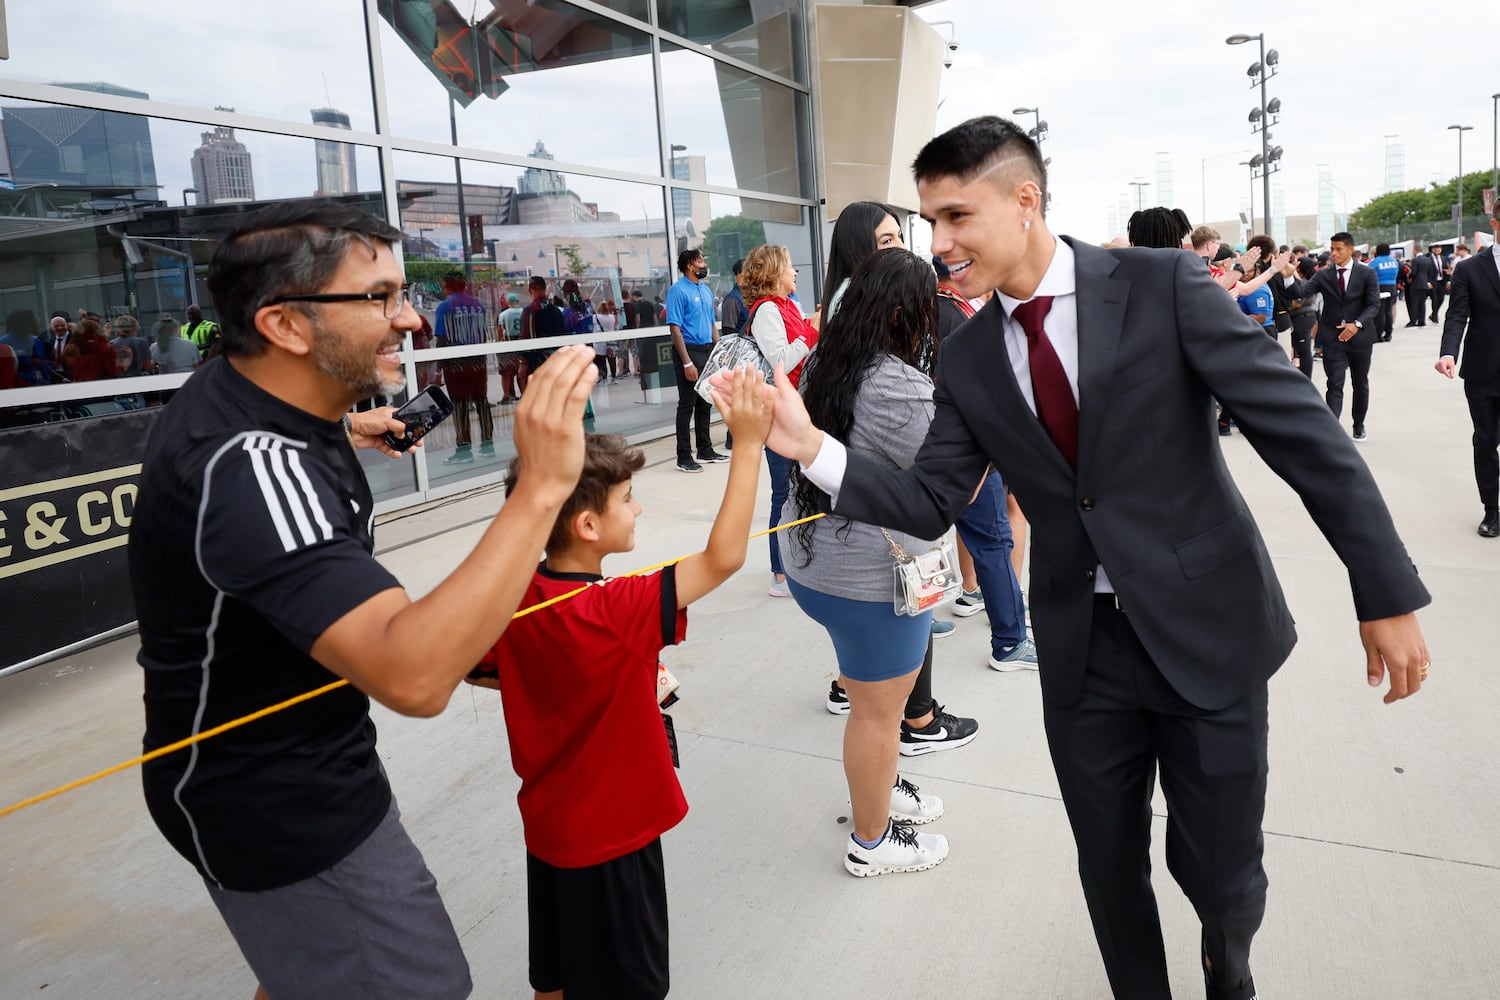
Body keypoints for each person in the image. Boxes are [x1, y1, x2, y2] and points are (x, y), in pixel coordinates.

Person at [742, 115, 1432, 999]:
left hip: (1206, 630)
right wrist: (812, 449)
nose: (938, 244)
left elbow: (1302, 435)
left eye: (956, 217)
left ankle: (1229, 962)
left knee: (1222, 876)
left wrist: (1382, 590)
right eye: (929, 224)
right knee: (1108, 870)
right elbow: (927, 501)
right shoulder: (969, 353)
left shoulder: (1164, 284)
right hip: (1083, 649)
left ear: (1024, 201)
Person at [129, 199, 598, 1000]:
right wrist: (542, 490)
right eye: (377, 297)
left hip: (284, 766)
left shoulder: (256, 396)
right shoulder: (249, 470)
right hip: (278, 802)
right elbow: (414, 676)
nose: (409, 319)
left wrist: (350, 431)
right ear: (284, 325)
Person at [466, 368, 772, 1000]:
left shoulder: (513, 596)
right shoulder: (615, 610)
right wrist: (746, 444)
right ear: (585, 525)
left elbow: (475, 664)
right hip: (612, 839)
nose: (638, 509)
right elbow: (723, 558)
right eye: (628, 499)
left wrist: (561, 680)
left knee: (554, 979)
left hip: (550, 829)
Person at [782, 248, 955, 876]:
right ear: (908, 313)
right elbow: (944, 474)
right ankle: (873, 840)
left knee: (868, 702)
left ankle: (880, 790)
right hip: (870, 579)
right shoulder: (901, 385)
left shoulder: (825, 362)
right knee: (880, 715)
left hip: (814, 564)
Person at [739, 244, 817, 600]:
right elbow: (782, 360)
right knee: (784, 493)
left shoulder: (787, 305)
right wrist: (811, 332)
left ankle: (797, 563)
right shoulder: (767, 310)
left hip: (796, 407)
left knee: (801, 490)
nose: (795, 273)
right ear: (774, 273)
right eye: (789, 267)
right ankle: (779, 573)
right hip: (778, 413)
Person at [1436, 203, 1500, 537]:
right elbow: (1457, 315)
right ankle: (1492, 509)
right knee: (1486, 441)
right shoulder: (1470, 269)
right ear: (1495, 223)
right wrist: (1449, 352)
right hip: (1483, 371)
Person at [1281, 233, 1380, 440]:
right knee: (1334, 383)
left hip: (1360, 338)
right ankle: (1332, 430)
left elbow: (1374, 305)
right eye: (1332, 249)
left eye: (1339, 249)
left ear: (1350, 250)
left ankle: (1358, 424)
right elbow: (1301, 292)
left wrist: (1357, 324)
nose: (1333, 253)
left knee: (1360, 382)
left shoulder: (1367, 273)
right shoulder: (1323, 275)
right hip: (1333, 338)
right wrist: (1289, 276)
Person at [665, 248, 724, 473]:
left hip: (707, 350)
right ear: (690, 265)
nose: (703, 264)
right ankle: (683, 456)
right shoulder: (677, 291)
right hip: (688, 351)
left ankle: (705, 449)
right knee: (687, 404)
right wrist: (687, 362)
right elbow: (675, 329)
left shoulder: (706, 290)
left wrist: (718, 353)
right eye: (700, 260)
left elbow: (711, 324)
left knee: (705, 401)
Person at [434, 270, 494, 464]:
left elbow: (441, 340)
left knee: (460, 405)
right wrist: (482, 361)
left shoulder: (444, 307)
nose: (443, 289)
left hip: (456, 364)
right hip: (477, 362)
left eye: (444, 286)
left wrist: (438, 370)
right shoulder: (478, 306)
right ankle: (488, 445)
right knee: (482, 403)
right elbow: (483, 335)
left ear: (448, 286)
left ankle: (464, 450)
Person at [1366, 242, 1400, 342]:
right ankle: (1389, 334)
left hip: (1379, 286)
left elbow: (1369, 274)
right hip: (1392, 286)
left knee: (1379, 311)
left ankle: (1378, 334)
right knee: (1388, 310)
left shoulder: (1375, 262)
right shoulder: (1394, 261)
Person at [497, 291, 525, 402]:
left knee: (506, 372)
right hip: (522, 341)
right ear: (517, 301)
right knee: (522, 370)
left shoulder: (504, 314)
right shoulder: (524, 312)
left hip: (509, 341)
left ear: (509, 302)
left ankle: (507, 395)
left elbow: (500, 331)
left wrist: (500, 341)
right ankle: (524, 393)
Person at [1406, 244, 1436, 326]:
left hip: (1416, 284)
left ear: (1415, 250)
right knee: (1422, 303)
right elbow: (1431, 272)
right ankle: (1422, 321)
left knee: (1414, 303)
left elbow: (1414, 272)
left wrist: (1409, 276)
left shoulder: (1415, 260)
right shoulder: (1428, 260)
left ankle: (1413, 320)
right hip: (1424, 284)